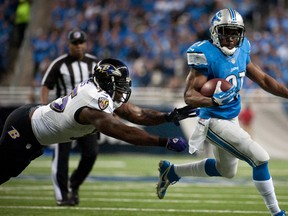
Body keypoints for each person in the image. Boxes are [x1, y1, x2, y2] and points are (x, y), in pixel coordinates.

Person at [156, 8, 287, 216]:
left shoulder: (243, 48)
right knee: (260, 158)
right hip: (213, 120)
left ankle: (171, 172)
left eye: (235, 32)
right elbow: (189, 96)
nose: (231, 38)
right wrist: (212, 100)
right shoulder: (204, 54)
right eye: (225, 32)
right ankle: (277, 213)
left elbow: (263, 80)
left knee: (227, 171)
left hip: (231, 117)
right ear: (215, 32)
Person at [0, 58, 198, 190]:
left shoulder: (102, 94)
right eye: (120, 85)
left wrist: (169, 116)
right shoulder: (93, 100)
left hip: (36, 134)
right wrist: (163, 141)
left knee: (8, 173)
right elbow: (122, 132)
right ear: (107, 83)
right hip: (24, 128)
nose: (124, 90)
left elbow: (138, 114)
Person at [40, 29, 100, 206]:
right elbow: (45, 87)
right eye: (75, 43)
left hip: (88, 117)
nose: (79, 46)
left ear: (86, 43)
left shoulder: (95, 63)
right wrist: (44, 109)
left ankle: (74, 183)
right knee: (61, 157)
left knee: (91, 154)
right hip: (62, 117)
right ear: (69, 45)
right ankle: (62, 196)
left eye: (81, 43)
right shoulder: (59, 64)